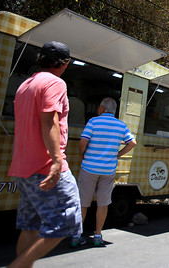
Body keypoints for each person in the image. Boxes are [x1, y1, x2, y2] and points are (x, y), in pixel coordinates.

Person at [7, 41, 82, 267]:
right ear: (65, 63)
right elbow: (49, 120)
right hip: (44, 166)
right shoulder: (55, 82)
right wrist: (57, 161)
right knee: (67, 219)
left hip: (22, 167)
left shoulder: (25, 85)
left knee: (30, 225)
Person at [71, 97, 137, 247]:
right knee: (103, 203)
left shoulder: (93, 121)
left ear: (102, 108)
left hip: (89, 168)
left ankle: (76, 236)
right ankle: (98, 235)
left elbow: (83, 142)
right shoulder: (121, 125)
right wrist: (118, 155)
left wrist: (83, 154)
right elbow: (132, 142)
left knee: (83, 203)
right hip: (108, 170)